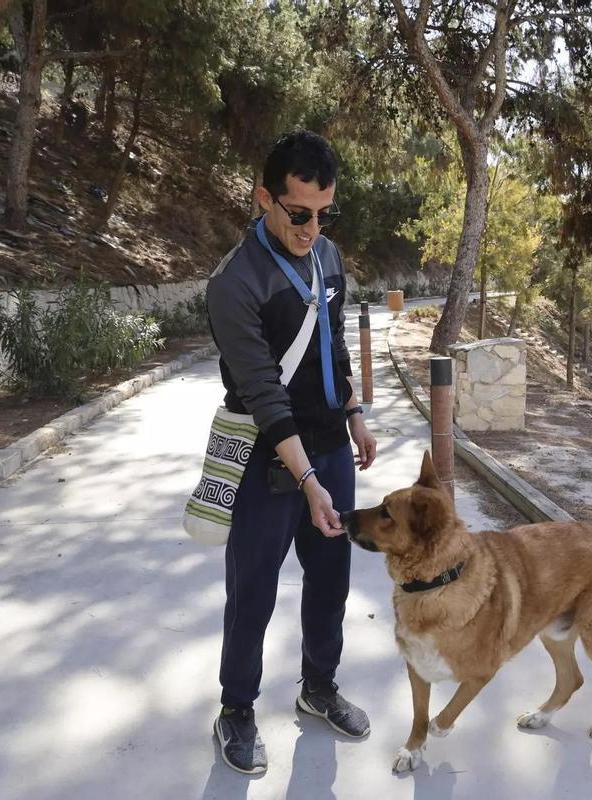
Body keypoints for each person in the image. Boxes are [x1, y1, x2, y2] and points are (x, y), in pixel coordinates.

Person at [206, 130, 377, 775]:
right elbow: (264, 393)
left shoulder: (328, 258)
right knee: (253, 589)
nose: (312, 227)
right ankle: (237, 709)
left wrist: (354, 416)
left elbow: (331, 345)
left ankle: (319, 687)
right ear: (263, 200)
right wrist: (308, 481)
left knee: (330, 579)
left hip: (330, 445)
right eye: (298, 212)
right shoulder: (234, 283)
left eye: (323, 212)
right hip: (266, 454)